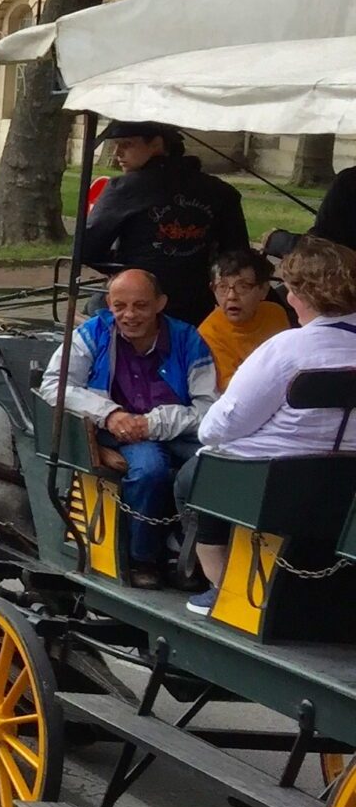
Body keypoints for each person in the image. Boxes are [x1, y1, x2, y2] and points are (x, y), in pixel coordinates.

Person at [183, 235, 356, 613]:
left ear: (299, 294)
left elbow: (222, 424)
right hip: (347, 480)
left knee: (195, 472)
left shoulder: (288, 347)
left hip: (276, 481)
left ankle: (223, 584)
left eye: (288, 287)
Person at [36, 268, 216, 588]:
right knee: (150, 470)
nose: (129, 315)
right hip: (116, 431)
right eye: (120, 306)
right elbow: (55, 385)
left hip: (175, 428)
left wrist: (154, 423)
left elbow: (207, 408)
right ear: (108, 303)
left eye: (140, 306)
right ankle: (142, 558)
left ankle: (194, 554)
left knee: (212, 465)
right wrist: (110, 414)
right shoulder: (93, 333)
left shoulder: (188, 338)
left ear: (160, 303)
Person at [80, 120, 250, 325]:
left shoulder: (125, 188)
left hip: (138, 307)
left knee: (93, 307)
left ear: (156, 144)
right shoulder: (222, 192)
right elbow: (236, 255)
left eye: (127, 144)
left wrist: (123, 269)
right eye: (116, 145)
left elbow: (85, 248)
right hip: (197, 308)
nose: (117, 153)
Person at [200, 250, 291, 390]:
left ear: (264, 290)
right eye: (222, 287)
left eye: (242, 287)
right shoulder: (208, 334)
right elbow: (232, 390)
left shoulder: (276, 313)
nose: (231, 296)